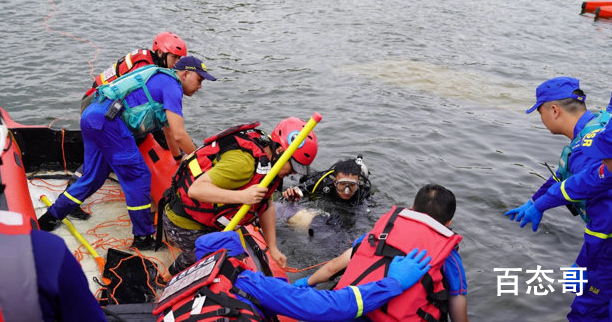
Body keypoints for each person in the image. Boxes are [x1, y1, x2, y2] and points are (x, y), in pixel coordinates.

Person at [37, 56, 217, 250]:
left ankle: (49, 219)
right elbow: (180, 134)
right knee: (138, 176)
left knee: (93, 176)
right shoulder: (173, 86)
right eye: (199, 80)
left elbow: (169, 131)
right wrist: (201, 162)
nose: (200, 86)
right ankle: (143, 238)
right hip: (110, 123)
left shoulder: (162, 78)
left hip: (93, 116)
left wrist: (177, 157)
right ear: (186, 73)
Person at [504, 77, 612, 321]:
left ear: (554, 110)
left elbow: (605, 217)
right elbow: (565, 174)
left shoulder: (588, 149)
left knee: (586, 312)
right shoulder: (594, 127)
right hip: (602, 246)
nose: (540, 119)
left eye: (539, 112)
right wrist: (535, 201)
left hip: (605, 248)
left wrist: (586, 263)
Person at [153, 230, 432, 322]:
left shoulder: (183, 281)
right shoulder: (245, 278)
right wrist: (394, 283)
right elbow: (335, 307)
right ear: (238, 258)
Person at [162, 118, 317, 274]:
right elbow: (196, 190)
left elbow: (266, 203)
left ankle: (178, 267)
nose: (295, 173)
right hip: (185, 222)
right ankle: (176, 273)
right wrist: (243, 196)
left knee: (222, 258)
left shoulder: (269, 165)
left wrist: (273, 248)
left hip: (211, 221)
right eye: (294, 165)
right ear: (279, 151)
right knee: (225, 270)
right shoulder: (243, 163)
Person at [293, 183, 468, 322]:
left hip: (348, 310)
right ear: (448, 223)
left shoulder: (382, 232)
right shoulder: (448, 256)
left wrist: (307, 282)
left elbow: (333, 267)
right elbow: (458, 315)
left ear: (412, 209)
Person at [81, 31, 188, 110]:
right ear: (160, 53)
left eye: (179, 58)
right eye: (174, 57)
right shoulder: (144, 67)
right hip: (93, 101)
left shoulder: (149, 60)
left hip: (102, 98)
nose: (177, 62)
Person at [281, 156, 371, 204]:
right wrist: (290, 194)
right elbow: (298, 190)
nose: (347, 191)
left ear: (358, 184)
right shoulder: (323, 182)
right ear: (334, 182)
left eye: (352, 185)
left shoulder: (362, 192)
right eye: (342, 184)